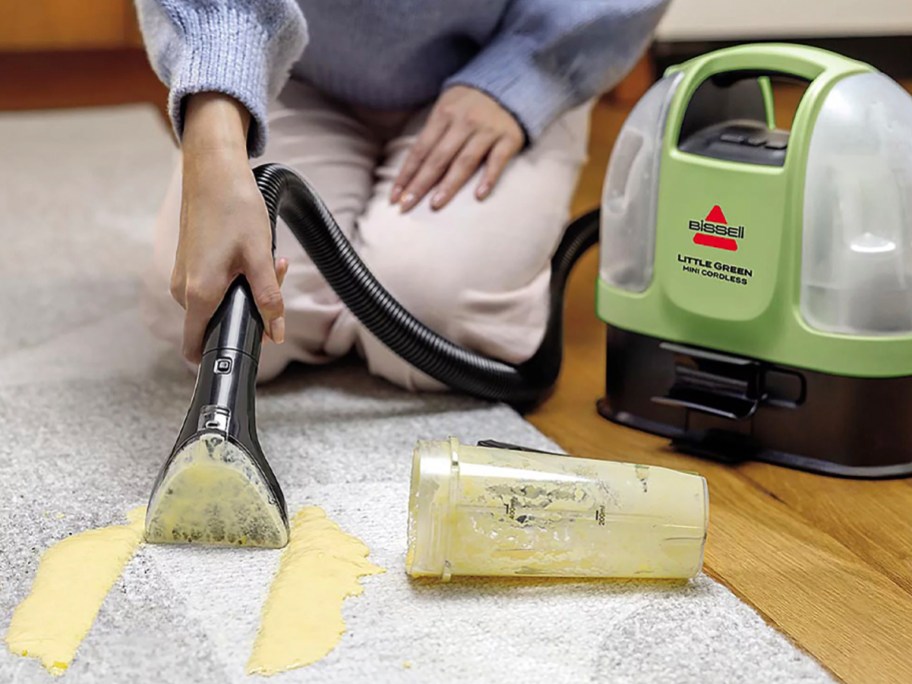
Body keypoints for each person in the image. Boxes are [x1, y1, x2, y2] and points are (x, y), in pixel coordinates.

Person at [137, 0, 669, 389]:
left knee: (436, 314)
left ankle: (363, 291)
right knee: (211, 312)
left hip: (505, 57)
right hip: (288, 63)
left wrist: (528, 73)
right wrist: (216, 135)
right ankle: (353, 296)